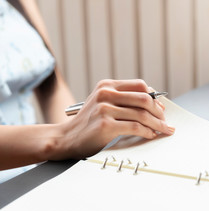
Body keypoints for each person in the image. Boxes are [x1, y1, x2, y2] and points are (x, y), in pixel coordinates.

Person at [0, 0, 174, 182]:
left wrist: (78, 141)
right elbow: (63, 136)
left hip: (34, 174)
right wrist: (63, 138)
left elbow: (52, 87)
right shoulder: (58, 139)